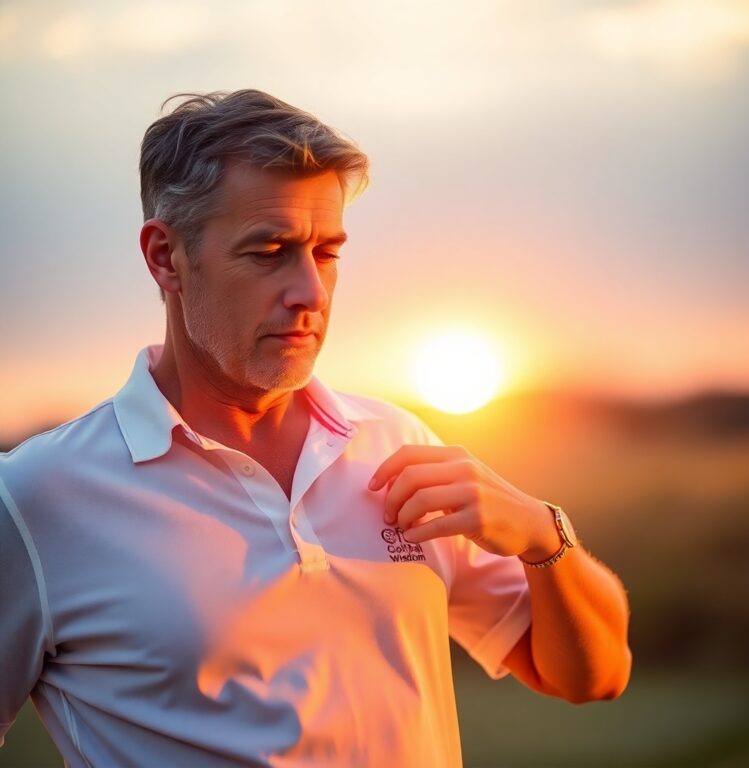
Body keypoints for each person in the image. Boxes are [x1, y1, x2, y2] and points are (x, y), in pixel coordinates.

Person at [0, 89, 631, 767]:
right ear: (165, 257)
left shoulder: (400, 445)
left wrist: (542, 536)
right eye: (270, 251)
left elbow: (591, 676)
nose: (312, 292)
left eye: (327, 252)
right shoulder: (35, 499)